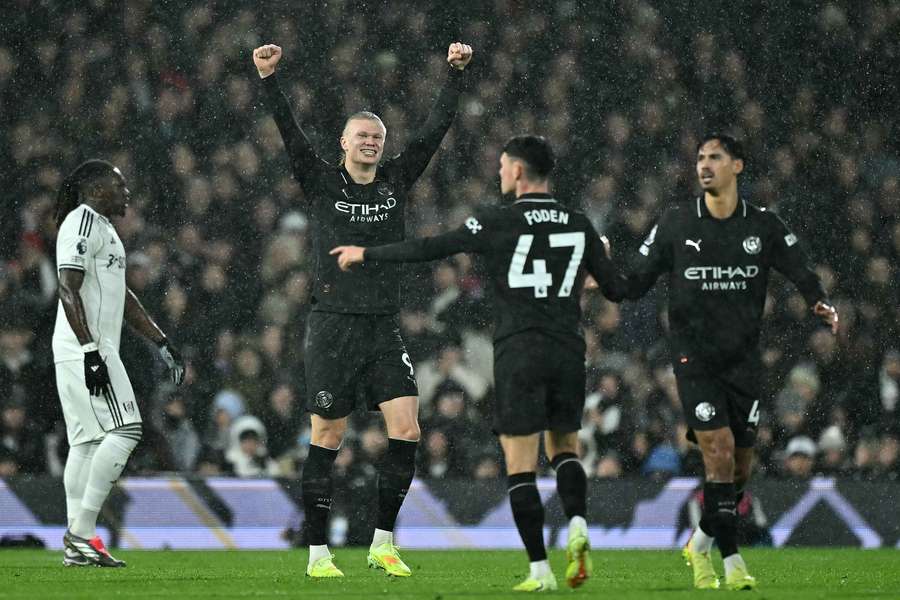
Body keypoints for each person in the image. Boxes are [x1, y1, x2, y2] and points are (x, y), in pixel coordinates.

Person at [332, 135, 625, 591]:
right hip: (567, 350)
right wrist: (596, 271)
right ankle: (579, 525)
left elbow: (432, 246)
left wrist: (367, 253)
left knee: (521, 464)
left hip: (518, 351)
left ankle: (540, 571)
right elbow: (617, 289)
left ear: (519, 171)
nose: (501, 172)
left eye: (505, 165)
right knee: (565, 449)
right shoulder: (579, 223)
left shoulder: (497, 220)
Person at [251, 41, 473, 578]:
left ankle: (383, 542)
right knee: (327, 437)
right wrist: (269, 80)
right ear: (344, 143)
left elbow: (435, 131)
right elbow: (289, 131)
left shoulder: (396, 179)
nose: (370, 142)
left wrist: (455, 75)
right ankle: (317, 553)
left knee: (408, 430)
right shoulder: (322, 181)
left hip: (382, 327)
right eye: (362, 136)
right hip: (332, 326)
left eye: (377, 136)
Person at [609, 134, 838, 590]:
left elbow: (800, 267)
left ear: (738, 166)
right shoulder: (676, 221)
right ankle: (730, 562)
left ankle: (699, 541)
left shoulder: (763, 225)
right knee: (717, 451)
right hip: (694, 359)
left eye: (715, 157)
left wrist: (817, 300)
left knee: (738, 471)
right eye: (700, 158)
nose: (704, 164)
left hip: (743, 361)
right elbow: (634, 280)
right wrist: (603, 276)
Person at [53, 159, 185, 567]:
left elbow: (123, 296)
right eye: (120, 186)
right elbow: (67, 287)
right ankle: (80, 533)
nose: (126, 193)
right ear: (97, 190)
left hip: (86, 347)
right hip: (88, 347)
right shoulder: (82, 222)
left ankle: (78, 544)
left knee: (87, 443)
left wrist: (161, 340)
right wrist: (90, 351)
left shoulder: (105, 229)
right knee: (126, 430)